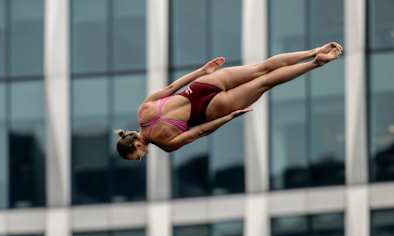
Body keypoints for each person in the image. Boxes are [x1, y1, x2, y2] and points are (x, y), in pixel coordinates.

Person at [116, 42, 343, 160]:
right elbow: (172, 87)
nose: (140, 158)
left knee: (266, 82)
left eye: (136, 156)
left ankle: (316, 63)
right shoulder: (143, 110)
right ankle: (316, 50)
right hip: (201, 87)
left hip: (211, 109)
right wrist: (203, 70)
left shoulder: (166, 144)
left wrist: (228, 117)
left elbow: (201, 131)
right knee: (261, 67)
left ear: (136, 145)